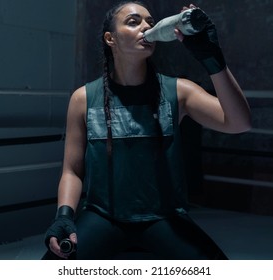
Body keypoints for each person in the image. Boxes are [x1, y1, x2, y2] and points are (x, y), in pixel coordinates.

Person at [43, 1, 251, 260]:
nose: (146, 27)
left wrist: (212, 59)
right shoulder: (83, 99)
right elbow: (72, 170)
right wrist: (64, 216)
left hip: (165, 219)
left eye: (150, 22)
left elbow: (240, 123)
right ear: (111, 38)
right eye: (133, 22)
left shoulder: (179, 91)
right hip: (103, 216)